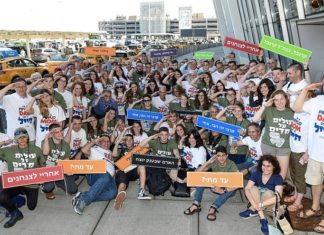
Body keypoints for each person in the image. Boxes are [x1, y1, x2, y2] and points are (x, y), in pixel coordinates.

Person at [292, 82, 324, 233]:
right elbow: (297, 108)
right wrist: (305, 89)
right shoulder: (318, 101)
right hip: (316, 153)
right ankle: (315, 208)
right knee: (316, 183)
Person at [0, 128, 45, 228]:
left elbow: (42, 164)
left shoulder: (36, 149)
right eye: (19, 138)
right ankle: (15, 213)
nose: (22, 140)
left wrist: (41, 175)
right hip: (15, 182)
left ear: (27, 137)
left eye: (24, 137)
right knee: (2, 197)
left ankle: (23, 195)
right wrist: (3, 142)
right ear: (16, 139)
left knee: (31, 207)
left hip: (31, 182)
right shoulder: (9, 150)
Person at [184, 146, 238, 221]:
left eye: (223, 155)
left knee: (231, 190)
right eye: (218, 156)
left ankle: (214, 207)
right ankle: (196, 203)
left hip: (226, 188)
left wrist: (223, 190)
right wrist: (208, 162)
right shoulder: (214, 162)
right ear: (216, 156)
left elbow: (238, 183)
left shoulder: (231, 164)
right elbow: (196, 174)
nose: (221, 158)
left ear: (227, 155)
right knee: (201, 178)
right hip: (215, 184)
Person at [72, 134, 117, 215]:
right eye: (104, 141)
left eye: (108, 142)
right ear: (99, 142)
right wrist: (94, 141)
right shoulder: (94, 149)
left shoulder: (110, 153)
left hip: (109, 178)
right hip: (95, 173)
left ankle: (82, 196)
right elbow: (84, 150)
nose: (106, 143)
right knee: (105, 177)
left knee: (112, 193)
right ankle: (83, 202)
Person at [253, 90, 294, 179]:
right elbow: (255, 119)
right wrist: (264, 106)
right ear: (273, 101)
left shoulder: (292, 112)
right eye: (276, 100)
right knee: (267, 171)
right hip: (268, 145)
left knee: (281, 174)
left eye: (281, 99)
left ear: (286, 99)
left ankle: (277, 191)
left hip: (284, 147)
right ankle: (267, 190)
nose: (279, 102)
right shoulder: (269, 110)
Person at [239, 155, 283, 235]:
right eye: (263, 165)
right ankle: (263, 219)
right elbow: (247, 189)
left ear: (274, 167)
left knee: (269, 193)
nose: (265, 168)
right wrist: (253, 203)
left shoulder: (278, 177)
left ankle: (253, 210)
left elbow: (278, 197)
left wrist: (260, 204)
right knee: (252, 188)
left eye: (268, 166)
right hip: (257, 203)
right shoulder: (257, 173)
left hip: (269, 206)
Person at [113, 132, 151, 207]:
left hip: (134, 171)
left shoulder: (137, 149)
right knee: (122, 185)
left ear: (133, 141)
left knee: (142, 166)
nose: (129, 141)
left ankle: (141, 192)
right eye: (127, 140)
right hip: (123, 171)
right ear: (124, 141)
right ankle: (118, 199)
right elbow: (114, 154)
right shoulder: (122, 149)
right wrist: (118, 142)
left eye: (131, 139)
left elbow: (147, 145)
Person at [41, 123, 78, 199]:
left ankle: (58, 181)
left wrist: (68, 170)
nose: (60, 133)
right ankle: (47, 189)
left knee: (73, 190)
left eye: (61, 131)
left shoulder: (66, 145)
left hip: (60, 170)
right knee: (48, 187)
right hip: (48, 170)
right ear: (51, 134)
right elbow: (45, 152)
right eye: (56, 132)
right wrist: (46, 137)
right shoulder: (46, 141)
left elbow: (66, 160)